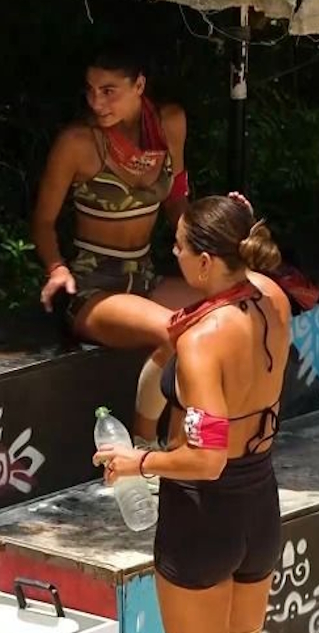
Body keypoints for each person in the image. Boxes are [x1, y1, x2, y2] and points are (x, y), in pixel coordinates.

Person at [93, 194, 291, 633]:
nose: (173, 253)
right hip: (260, 505)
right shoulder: (273, 298)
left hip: (203, 518)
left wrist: (138, 461)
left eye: (180, 246)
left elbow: (207, 459)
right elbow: (242, 266)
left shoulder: (203, 340)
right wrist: (236, 217)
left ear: (205, 262)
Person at [30, 42, 200, 448]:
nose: (97, 102)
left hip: (145, 275)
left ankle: (188, 444)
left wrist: (210, 242)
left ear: (139, 85)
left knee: (233, 309)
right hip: (93, 287)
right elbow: (42, 221)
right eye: (91, 90)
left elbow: (177, 198)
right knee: (180, 332)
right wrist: (56, 268)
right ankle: (145, 448)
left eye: (109, 91)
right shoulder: (78, 142)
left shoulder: (170, 123)